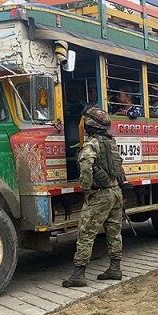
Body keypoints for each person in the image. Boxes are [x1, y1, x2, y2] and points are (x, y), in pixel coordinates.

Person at [62, 107, 127, 288]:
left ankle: (79, 274)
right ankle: (115, 268)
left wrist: (86, 189)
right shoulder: (110, 143)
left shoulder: (91, 144)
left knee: (86, 233)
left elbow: (85, 168)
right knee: (114, 231)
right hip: (115, 192)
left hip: (100, 194)